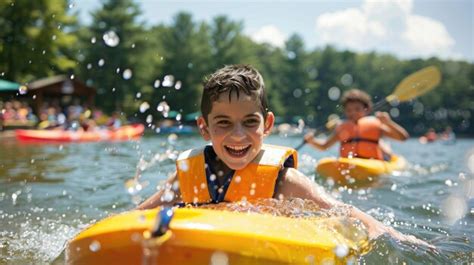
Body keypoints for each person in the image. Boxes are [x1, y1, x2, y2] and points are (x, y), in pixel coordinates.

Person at [137, 65, 429, 246]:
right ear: (204, 128)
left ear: (267, 125)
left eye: (250, 122)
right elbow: (139, 215)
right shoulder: (187, 176)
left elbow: (341, 210)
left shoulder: (285, 179)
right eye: (223, 123)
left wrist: (388, 233)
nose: (238, 135)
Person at [303, 89, 409, 161]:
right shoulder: (342, 128)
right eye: (349, 110)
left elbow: (403, 137)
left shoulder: (376, 125)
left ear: (366, 110)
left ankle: (386, 152)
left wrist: (388, 123)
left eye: (357, 109)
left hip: (373, 162)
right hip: (351, 162)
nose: (353, 113)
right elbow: (324, 146)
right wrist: (312, 141)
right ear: (345, 111)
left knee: (383, 147)